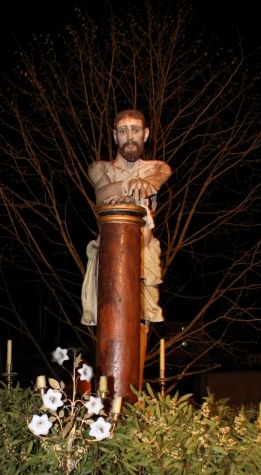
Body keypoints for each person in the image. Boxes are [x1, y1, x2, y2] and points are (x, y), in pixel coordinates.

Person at [82, 109, 172, 325]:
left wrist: (131, 192)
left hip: (144, 255)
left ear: (146, 134)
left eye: (135, 130)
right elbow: (102, 193)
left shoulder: (157, 167)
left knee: (140, 326)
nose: (130, 137)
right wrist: (128, 185)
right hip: (111, 254)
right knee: (112, 319)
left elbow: (156, 181)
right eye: (123, 131)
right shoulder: (100, 168)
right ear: (115, 136)